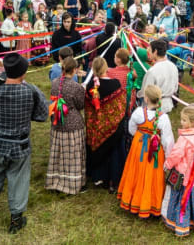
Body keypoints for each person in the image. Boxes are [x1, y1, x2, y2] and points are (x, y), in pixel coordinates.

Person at [0, 53, 48, 233]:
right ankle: (15, 220)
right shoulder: (30, 90)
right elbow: (42, 115)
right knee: (18, 182)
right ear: (24, 72)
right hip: (19, 145)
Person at [118, 85, 174, 218]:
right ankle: (150, 203)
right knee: (151, 175)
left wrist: (141, 135)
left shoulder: (138, 112)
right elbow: (168, 140)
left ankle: (132, 200)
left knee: (135, 171)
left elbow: (132, 129)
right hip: (155, 150)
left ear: (146, 98)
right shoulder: (164, 118)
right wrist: (168, 158)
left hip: (138, 147)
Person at [162, 107, 194, 237]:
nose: (181, 122)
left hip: (183, 177)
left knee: (181, 201)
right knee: (193, 200)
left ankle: (181, 226)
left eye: (184, 120)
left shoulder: (184, 139)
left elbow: (176, 154)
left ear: (193, 122)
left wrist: (168, 164)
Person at [85, 57, 126, 193]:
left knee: (98, 149)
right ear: (106, 68)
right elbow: (121, 106)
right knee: (113, 151)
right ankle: (112, 179)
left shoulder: (91, 85)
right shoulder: (115, 84)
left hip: (96, 128)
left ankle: (98, 177)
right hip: (113, 127)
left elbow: (88, 108)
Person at [46, 57, 86, 194]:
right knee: (72, 155)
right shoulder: (76, 87)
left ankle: (57, 180)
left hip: (58, 121)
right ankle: (72, 183)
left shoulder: (55, 83)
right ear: (75, 70)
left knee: (59, 153)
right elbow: (80, 105)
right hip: (73, 124)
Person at [138, 40, 178, 113]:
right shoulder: (173, 66)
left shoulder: (152, 71)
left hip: (154, 106)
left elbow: (146, 91)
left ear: (155, 51)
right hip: (167, 105)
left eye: (149, 51)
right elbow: (175, 88)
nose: (148, 53)